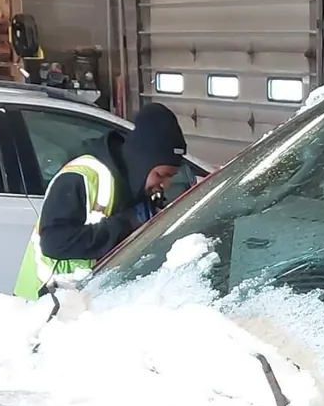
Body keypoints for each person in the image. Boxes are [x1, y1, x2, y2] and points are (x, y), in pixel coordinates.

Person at [14, 102, 192, 299]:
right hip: (43, 302)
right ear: (142, 162)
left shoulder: (136, 187)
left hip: (87, 302)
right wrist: (126, 224)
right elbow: (53, 242)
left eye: (171, 177)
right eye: (161, 175)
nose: (165, 184)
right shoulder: (81, 177)